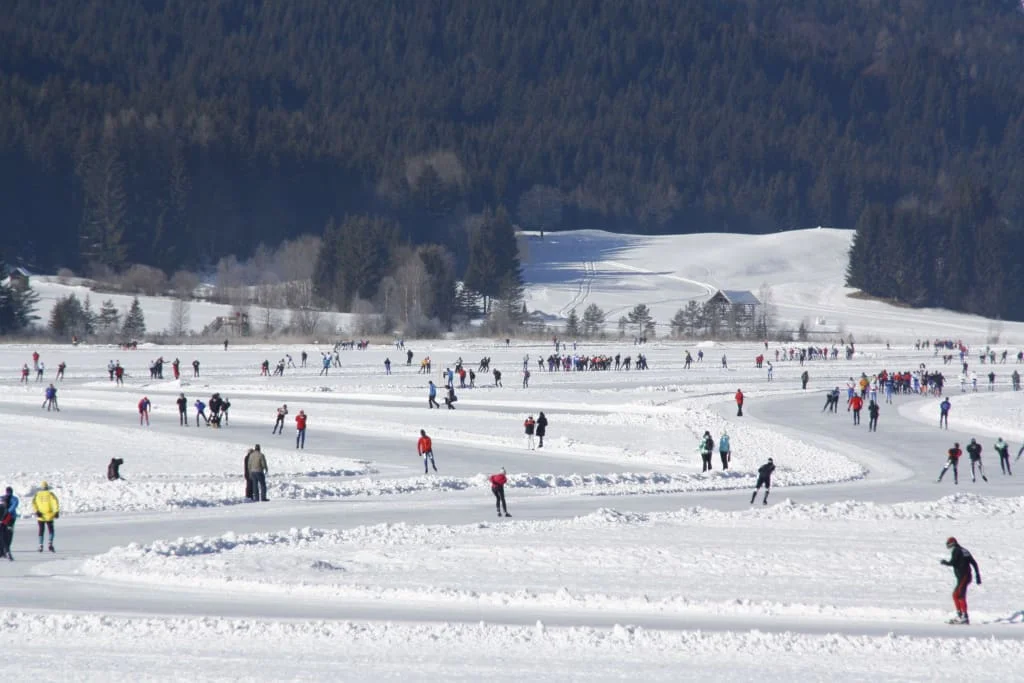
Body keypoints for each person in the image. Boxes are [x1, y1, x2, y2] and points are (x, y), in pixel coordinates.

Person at [941, 537, 981, 625]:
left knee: (960, 595)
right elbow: (974, 563)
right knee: (956, 595)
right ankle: (960, 615)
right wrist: (977, 575)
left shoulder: (956, 550)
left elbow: (953, 562)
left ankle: (964, 617)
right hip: (965, 577)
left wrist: (945, 562)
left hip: (964, 577)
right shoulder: (964, 550)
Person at [32, 481, 59, 552]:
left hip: (40, 516)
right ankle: (50, 543)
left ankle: (40, 545)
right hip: (49, 515)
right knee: (51, 530)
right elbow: (55, 502)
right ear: (47, 487)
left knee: (41, 530)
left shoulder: (37, 494)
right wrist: (56, 511)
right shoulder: (50, 494)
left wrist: (36, 511)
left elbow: (33, 503)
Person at [1, 486, 19, 560]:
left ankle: (2, 551)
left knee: (2, 534)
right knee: (9, 534)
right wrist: (8, 512)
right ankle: (7, 550)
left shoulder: (2, 497)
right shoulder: (14, 499)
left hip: (3, 518)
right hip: (11, 518)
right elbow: (14, 506)